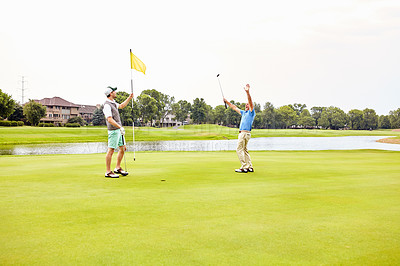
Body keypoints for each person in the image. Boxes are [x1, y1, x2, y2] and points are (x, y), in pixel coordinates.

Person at [224, 84, 256, 173]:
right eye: (246, 104)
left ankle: (244, 166)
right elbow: (234, 107)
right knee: (245, 149)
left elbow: (250, 101)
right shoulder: (243, 113)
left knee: (239, 149)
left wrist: (247, 92)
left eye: (248, 104)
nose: (247, 104)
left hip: (244, 133)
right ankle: (249, 166)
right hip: (245, 134)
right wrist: (227, 102)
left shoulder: (251, 112)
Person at [103, 86, 134, 178]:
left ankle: (117, 168)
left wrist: (129, 98)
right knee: (111, 150)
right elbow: (109, 119)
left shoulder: (113, 103)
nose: (115, 92)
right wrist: (120, 127)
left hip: (119, 130)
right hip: (113, 131)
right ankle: (108, 172)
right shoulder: (107, 105)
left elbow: (121, 106)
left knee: (122, 148)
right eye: (114, 91)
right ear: (110, 93)